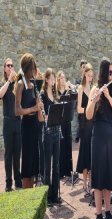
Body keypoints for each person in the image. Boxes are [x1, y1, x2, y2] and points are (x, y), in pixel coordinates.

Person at [86, 58, 112, 219]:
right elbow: (88, 114)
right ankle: (98, 215)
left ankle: (108, 212)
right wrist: (96, 98)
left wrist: (108, 95)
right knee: (98, 178)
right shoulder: (95, 88)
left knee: (108, 177)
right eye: (110, 71)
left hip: (110, 138)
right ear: (103, 72)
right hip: (98, 138)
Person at [14, 53, 44, 189]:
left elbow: (37, 106)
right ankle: (27, 193)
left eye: (35, 68)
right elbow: (17, 110)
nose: (34, 71)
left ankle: (32, 194)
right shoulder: (20, 84)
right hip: (26, 126)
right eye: (32, 68)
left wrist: (39, 106)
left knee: (34, 164)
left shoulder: (33, 85)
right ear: (26, 69)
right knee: (27, 164)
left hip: (35, 126)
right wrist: (33, 108)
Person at [0, 58, 22, 192]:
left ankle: (18, 181)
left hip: (18, 122)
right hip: (8, 122)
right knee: (8, 154)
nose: (10, 67)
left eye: (12, 65)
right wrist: (8, 80)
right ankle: (8, 184)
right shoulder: (4, 83)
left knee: (17, 153)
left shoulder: (16, 85)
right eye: (8, 65)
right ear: (4, 69)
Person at [40, 68, 61, 206]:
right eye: (52, 79)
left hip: (56, 132)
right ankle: (47, 196)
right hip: (47, 133)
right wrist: (47, 115)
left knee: (56, 165)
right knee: (48, 166)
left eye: (54, 79)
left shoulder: (55, 93)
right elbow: (42, 115)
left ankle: (55, 194)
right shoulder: (42, 95)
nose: (53, 81)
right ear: (46, 79)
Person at [76, 63, 94, 197]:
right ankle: (84, 183)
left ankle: (92, 183)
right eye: (88, 75)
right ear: (84, 75)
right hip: (84, 124)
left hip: (92, 124)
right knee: (85, 153)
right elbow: (78, 109)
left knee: (92, 154)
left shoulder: (93, 89)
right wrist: (89, 108)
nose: (90, 78)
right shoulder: (81, 88)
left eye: (92, 76)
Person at [56, 71, 73, 179]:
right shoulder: (56, 91)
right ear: (58, 80)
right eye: (61, 78)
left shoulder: (68, 91)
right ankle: (61, 171)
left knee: (68, 144)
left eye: (64, 77)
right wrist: (66, 90)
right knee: (61, 146)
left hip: (67, 120)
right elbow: (59, 100)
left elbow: (71, 102)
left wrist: (70, 89)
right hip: (60, 121)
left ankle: (68, 170)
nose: (63, 79)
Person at [75, 59, 87, 143]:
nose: (84, 68)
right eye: (83, 67)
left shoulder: (89, 80)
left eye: (85, 67)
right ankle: (78, 136)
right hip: (81, 106)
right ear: (80, 68)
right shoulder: (78, 81)